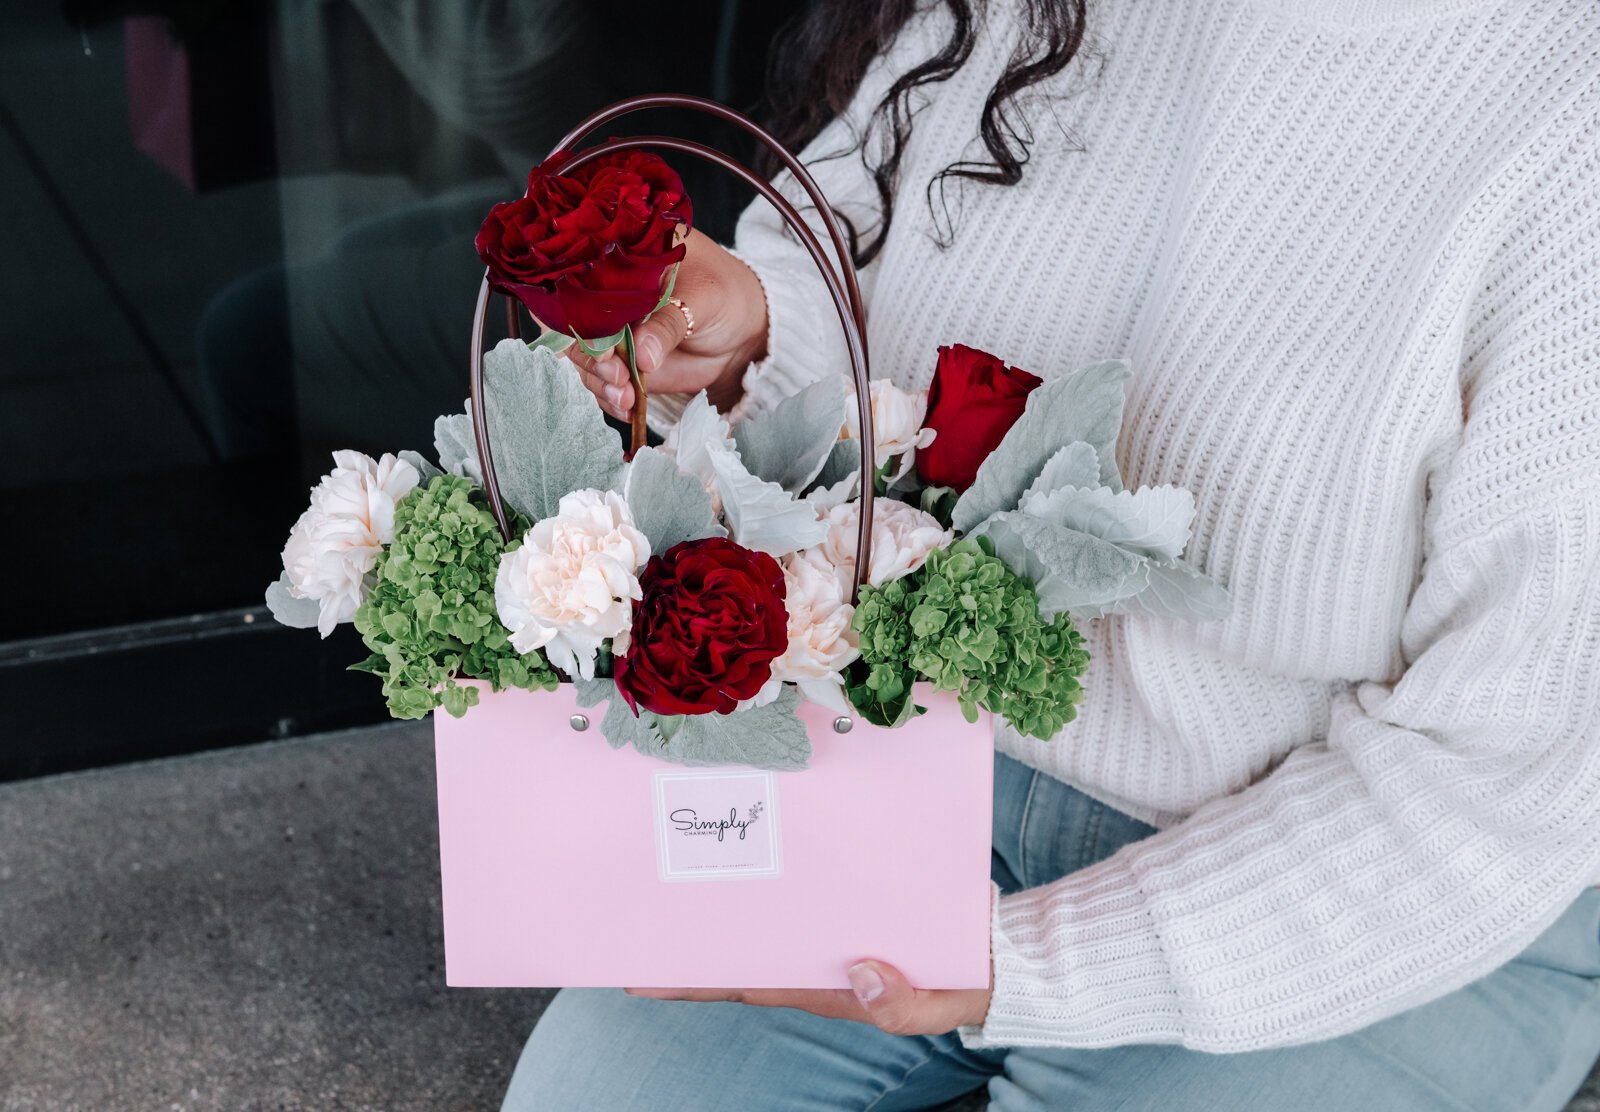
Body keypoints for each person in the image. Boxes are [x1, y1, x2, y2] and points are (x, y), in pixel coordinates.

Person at [502, 0, 1600, 1107]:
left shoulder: (1563, 113)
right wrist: (748, 348)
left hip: (1390, 888)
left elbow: (1502, 772)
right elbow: (837, 258)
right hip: (926, 777)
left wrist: (1027, 966)